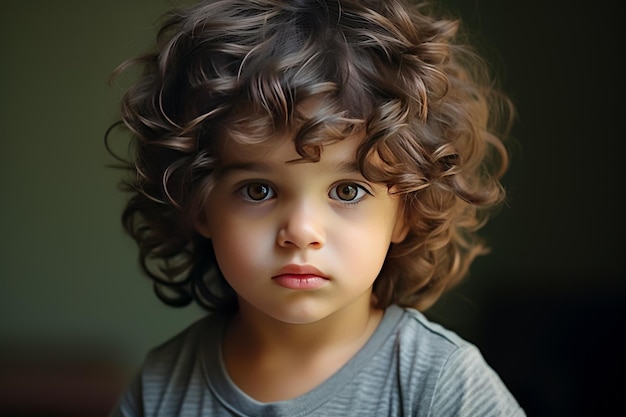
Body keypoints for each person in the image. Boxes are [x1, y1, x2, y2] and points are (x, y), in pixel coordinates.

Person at [106, 0, 524, 415]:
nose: (302, 231)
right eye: (258, 190)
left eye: (347, 191)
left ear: (405, 213)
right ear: (199, 206)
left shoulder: (443, 385)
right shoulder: (162, 388)